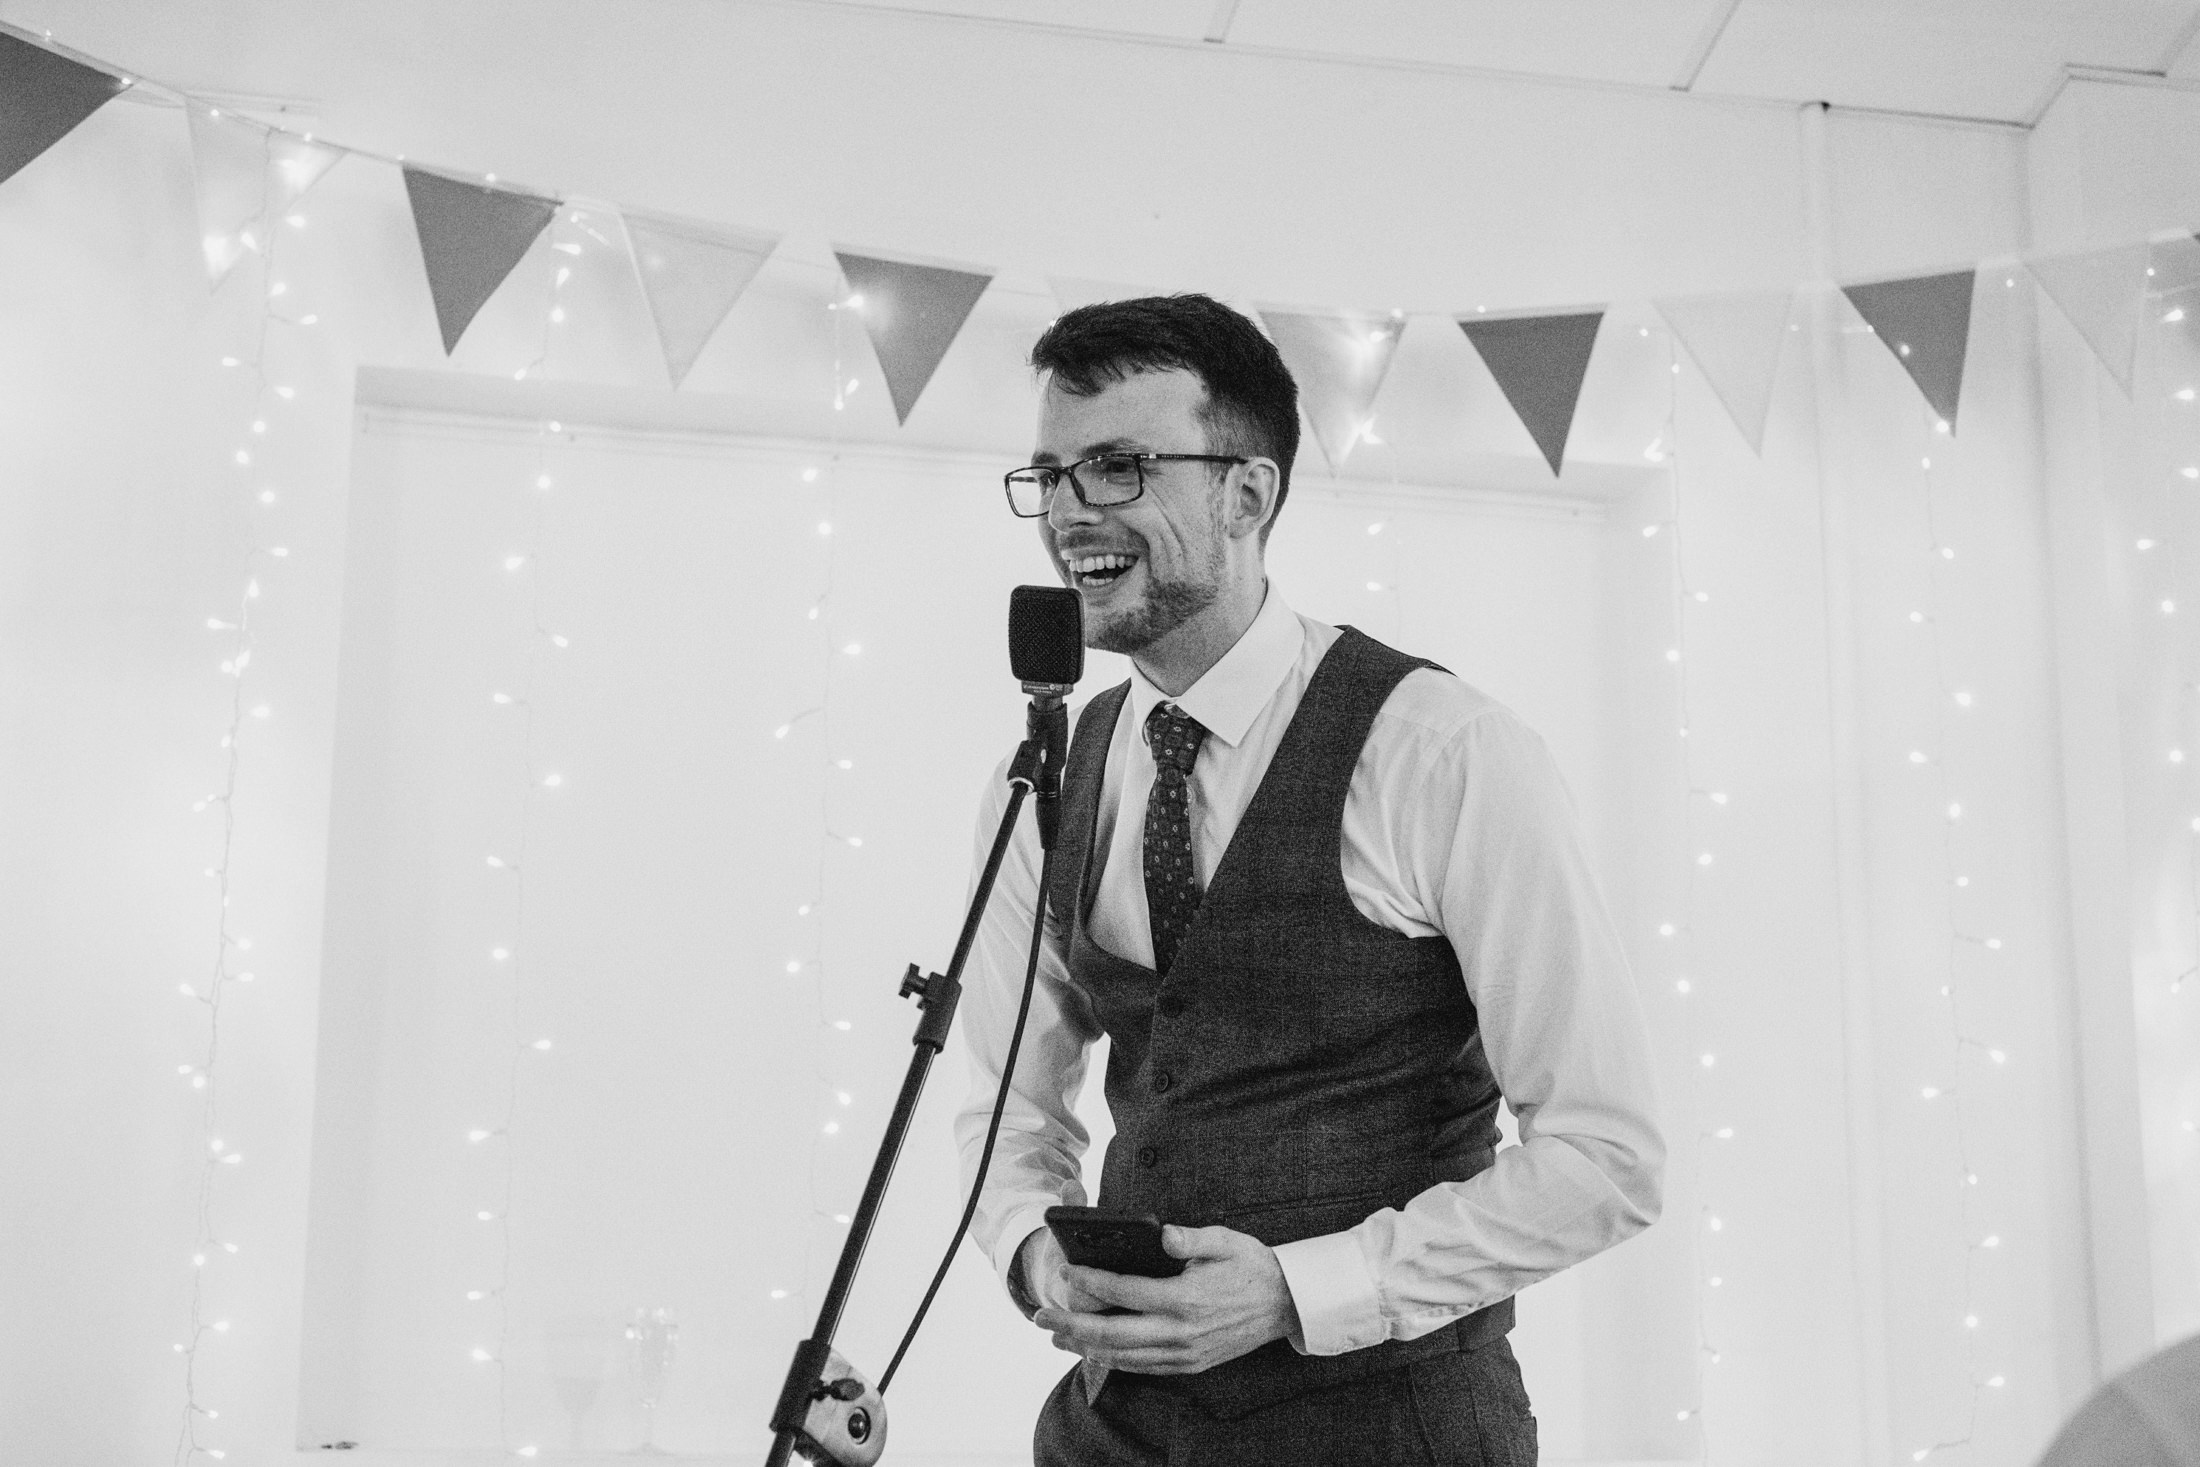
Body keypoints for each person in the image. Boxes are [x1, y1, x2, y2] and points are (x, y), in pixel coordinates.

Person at [953, 294, 1664, 1466]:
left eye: (1119, 468)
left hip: (1393, 1433)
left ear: (1248, 493)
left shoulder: (1443, 753)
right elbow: (1007, 1114)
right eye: (1052, 475)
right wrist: (1033, 1252)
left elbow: (1607, 1159)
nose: (1072, 511)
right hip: (1111, 1435)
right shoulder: (1042, 779)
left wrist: (1297, 1291)